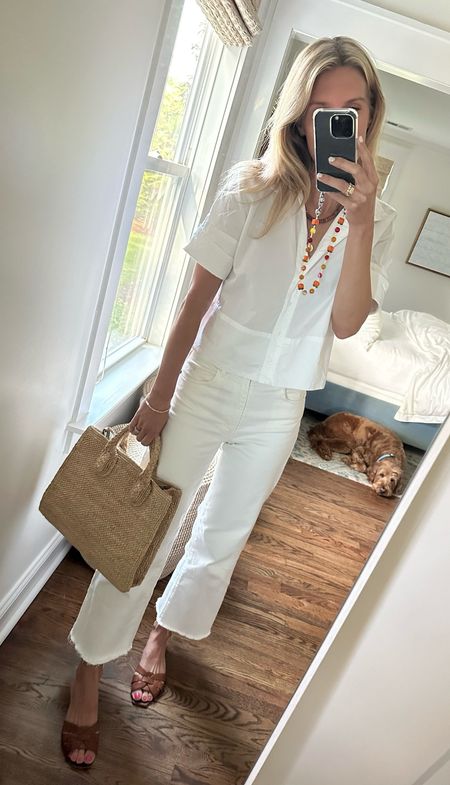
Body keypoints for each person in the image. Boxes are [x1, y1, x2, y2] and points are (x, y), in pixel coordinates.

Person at [61, 35, 396, 767]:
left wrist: (361, 220)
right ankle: (89, 664)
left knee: (223, 536)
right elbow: (193, 302)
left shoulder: (371, 215)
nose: (336, 121)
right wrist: (158, 396)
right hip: (208, 384)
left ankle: (162, 637)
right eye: (320, 107)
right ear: (299, 115)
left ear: (370, 118)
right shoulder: (251, 188)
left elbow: (345, 322)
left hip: (279, 404)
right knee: (142, 530)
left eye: (353, 108)